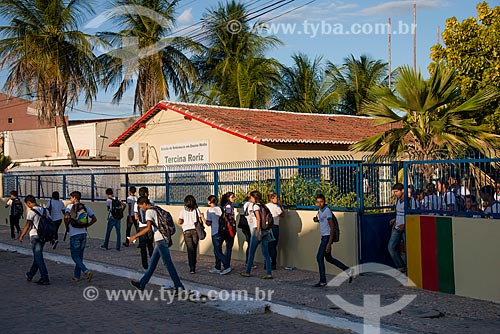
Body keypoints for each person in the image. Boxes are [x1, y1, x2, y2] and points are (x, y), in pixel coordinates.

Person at [130, 197, 185, 292]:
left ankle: (179, 286)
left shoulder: (149, 212)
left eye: (140, 207)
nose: (141, 209)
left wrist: (135, 236)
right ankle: (142, 284)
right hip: (163, 239)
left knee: (168, 264)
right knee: (152, 264)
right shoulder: (156, 208)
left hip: (160, 240)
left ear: (144, 204)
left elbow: (148, 228)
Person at [313, 194, 352, 287]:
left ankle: (323, 280)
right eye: (318, 202)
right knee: (329, 258)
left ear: (324, 201)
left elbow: (332, 227)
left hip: (327, 237)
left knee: (319, 257)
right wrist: (317, 220)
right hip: (323, 236)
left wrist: (329, 244)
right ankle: (347, 270)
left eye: (321, 202)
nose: (319, 204)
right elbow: (323, 221)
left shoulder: (327, 211)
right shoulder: (320, 210)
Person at [64, 191, 97, 282]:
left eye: (71, 197)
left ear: (74, 198)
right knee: (80, 256)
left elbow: (66, 217)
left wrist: (67, 227)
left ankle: (86, 271)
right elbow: (94, 218)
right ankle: (76, 276)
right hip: (83, 233)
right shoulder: (85, 206)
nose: (70, 199)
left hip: (74, 234)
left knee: (74, 256)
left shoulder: (70, 207)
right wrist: (87, 225)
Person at [240, 190, 273, 279]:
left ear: (254, 198)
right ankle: (269, 273)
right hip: (266, 231)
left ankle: (247, 271)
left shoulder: (255, 206)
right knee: (266, 253)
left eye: (251, 197)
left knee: (251, 252)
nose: (250, 199)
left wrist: (258, 233)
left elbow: (258, 219)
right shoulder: (263, 205)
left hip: (257, 230)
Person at [19, 195, 50, 285]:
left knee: (38, 257)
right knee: (38, 256)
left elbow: (28, 225)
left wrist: (22, 235)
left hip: (35, 235)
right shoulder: (45, 210)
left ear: (29, 203)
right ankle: (30, 274)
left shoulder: (31, 211)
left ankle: (45, 277)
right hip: (43, 235)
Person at [205, 195, 231, 275]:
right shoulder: (221, 209)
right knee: (217, 250)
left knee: (217, 251)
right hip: (222, 231)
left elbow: (208, 223)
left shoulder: (210, 211)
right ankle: (217, 266)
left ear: (209, 201)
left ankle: (226, 265)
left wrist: (203, 218)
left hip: (215, 232)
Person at [179, 195, 204, 274]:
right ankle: (194, 264)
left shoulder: (182, 210)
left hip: (186, 231)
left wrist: (184, 221)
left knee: (190, 249)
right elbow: (200, 221)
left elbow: (180, 221)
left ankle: (191, 268)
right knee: (194, 248)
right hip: (195, 231)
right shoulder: (196, 209)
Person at [388, 183, 407, 273]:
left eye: (396, 191)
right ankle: (401, 265)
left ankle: (410, 267)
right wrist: (395, 220)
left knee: (407, 249)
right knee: (391, 247)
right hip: (397, 227)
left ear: (402, 190)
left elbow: (411, 214)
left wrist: (405, 225)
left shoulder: (409, 201)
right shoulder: (398, 201)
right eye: (394, 192)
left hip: (405, 228)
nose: (395, 194)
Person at [134, 187, 155, 270]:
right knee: (150, 245)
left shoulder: (137, 204)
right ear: (146, 193)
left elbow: (136, 216)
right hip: (150, 227)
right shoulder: (151, 202)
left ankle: (145, 265)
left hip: (141, 227)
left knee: (143, 247)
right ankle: (153, 262)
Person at [266, 192, 285, 270]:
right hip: (274, 227)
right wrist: (281, 205)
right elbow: (282, 215)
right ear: (271, 199)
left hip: (266, 227)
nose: (277, 199)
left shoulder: (265, 206)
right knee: (273, 246)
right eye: (276, 198)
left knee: (267, 246)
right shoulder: (276, 207)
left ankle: (267, 263)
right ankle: (273, 264)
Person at [219, 192, 236, 270]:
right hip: (229, 228)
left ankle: (226, 264)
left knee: (227, 246)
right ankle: (226, 264)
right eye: (232, 197)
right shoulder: (228, 206)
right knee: (229, 247)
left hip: (225, 228)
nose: (234, 198)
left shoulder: (225, 206)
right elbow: (228, 217)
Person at [241, 192, 252, 266]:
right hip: (249, 225)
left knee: (250, 243)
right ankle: (248, 261)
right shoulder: (250, 204)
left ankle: (248, 261)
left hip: (245, 225)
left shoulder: (245, 203)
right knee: (251, 244)